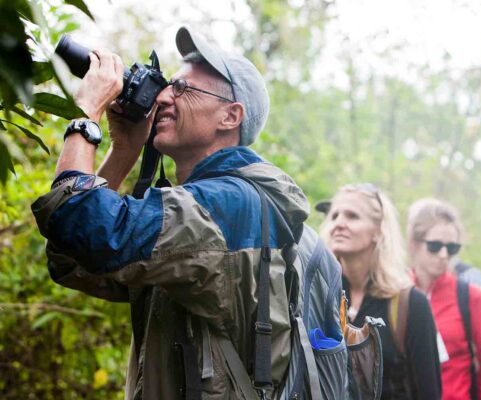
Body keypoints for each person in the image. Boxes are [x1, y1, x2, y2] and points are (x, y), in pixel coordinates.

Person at [31, 26, 314, 399]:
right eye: (167, 84)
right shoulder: (204, 205)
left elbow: (81, 222)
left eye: (182, 89)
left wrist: (86, 114)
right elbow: (74, 259)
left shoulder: (229, 205)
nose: (163, 96)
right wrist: (125, 151)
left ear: (230, 116)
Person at [320, 183, 441, 399]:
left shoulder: (410, 304)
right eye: (335, 215)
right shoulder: (320, 297)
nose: (338, 223)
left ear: (378, 231)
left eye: (352, 216)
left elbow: (429, 392)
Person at [406, 198, 481, 400]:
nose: (443, 254)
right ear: (414, 243)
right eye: (435, 245)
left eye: (452, 248)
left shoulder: (471, 297)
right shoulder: (396, 291)